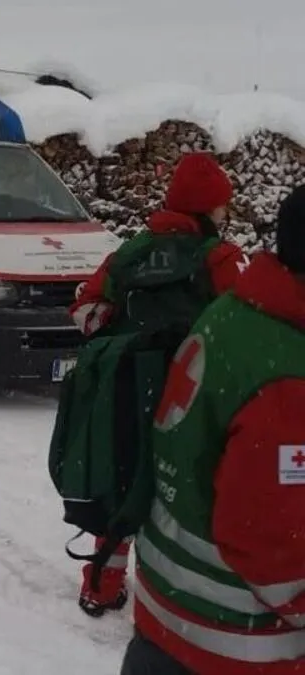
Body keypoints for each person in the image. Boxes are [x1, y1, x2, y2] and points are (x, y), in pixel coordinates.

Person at [119, 184, 305, 674]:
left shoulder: (236, 313)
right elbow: (266, 540)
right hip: (233, 641)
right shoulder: (290, 378)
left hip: (166, 614)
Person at [67, 152, 250, 617]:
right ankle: (179, 597)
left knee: (125, 485)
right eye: (221, 208)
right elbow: (247, 325)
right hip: (194, 398)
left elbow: (86, 314)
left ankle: (101, 586)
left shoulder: (128, 254)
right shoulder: (221, 258)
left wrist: (127, 337)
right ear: (206, 210)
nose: (225, 216)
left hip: (128, 391)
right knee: (188, 495)